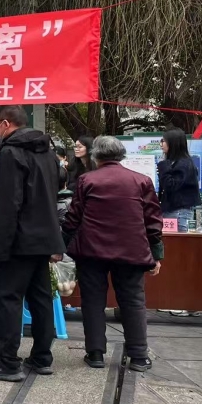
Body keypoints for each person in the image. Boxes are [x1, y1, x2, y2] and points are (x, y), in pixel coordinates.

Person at [62, 136, 163, 371]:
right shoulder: (141, 180)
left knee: (92, 301)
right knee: (133, 301)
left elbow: (73, 218)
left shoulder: (87, 180)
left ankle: (95, 353)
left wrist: (62, 246)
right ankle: (139, 356)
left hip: (91, 251)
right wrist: (156, 254)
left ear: (96, 155)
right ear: (121, 155)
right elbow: (152, 220)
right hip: (132, 250)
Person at [0, 106, 65, 382]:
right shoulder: (47, 152)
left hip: (18, 238)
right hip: (44, 237)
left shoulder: (10, 153)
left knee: (8, 298)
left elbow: (8, 203)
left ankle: (8, 362)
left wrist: (0, 244)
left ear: (6, 124)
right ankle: (42, 357)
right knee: (41, 298)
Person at [157, 128, 201, 230]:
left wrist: (163, 168)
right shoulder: (174, 162)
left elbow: (170, 185)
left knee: (177, 240)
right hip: (170, 211)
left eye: (163, 141)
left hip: (179, 213)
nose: (161, 144)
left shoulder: (184, 164)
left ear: (173, 143)